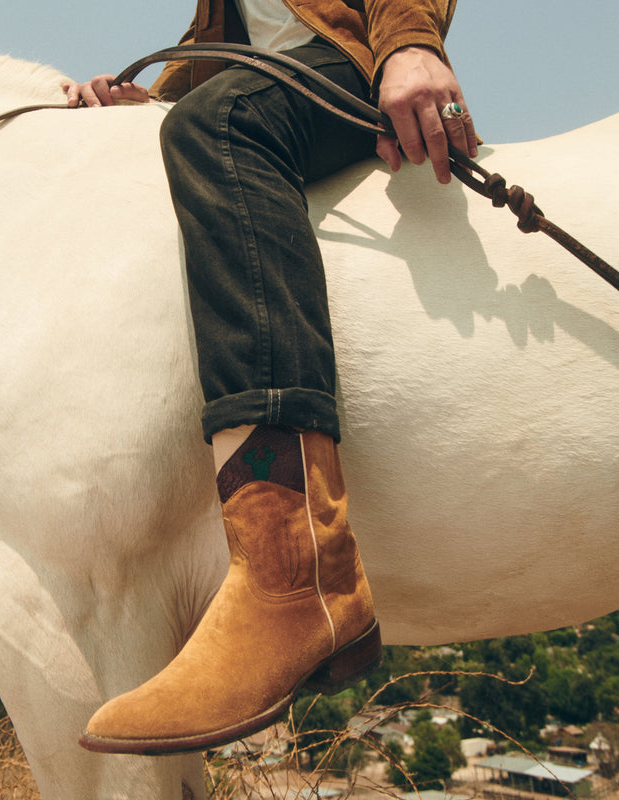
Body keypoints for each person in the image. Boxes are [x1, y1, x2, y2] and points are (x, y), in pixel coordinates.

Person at [66, 0, 478, 756]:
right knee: (193, 118)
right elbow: (216, 46)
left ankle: (297, 580)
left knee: (216, 126)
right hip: (264, 80)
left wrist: (411, 46)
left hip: (346, 68)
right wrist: (148, 97)